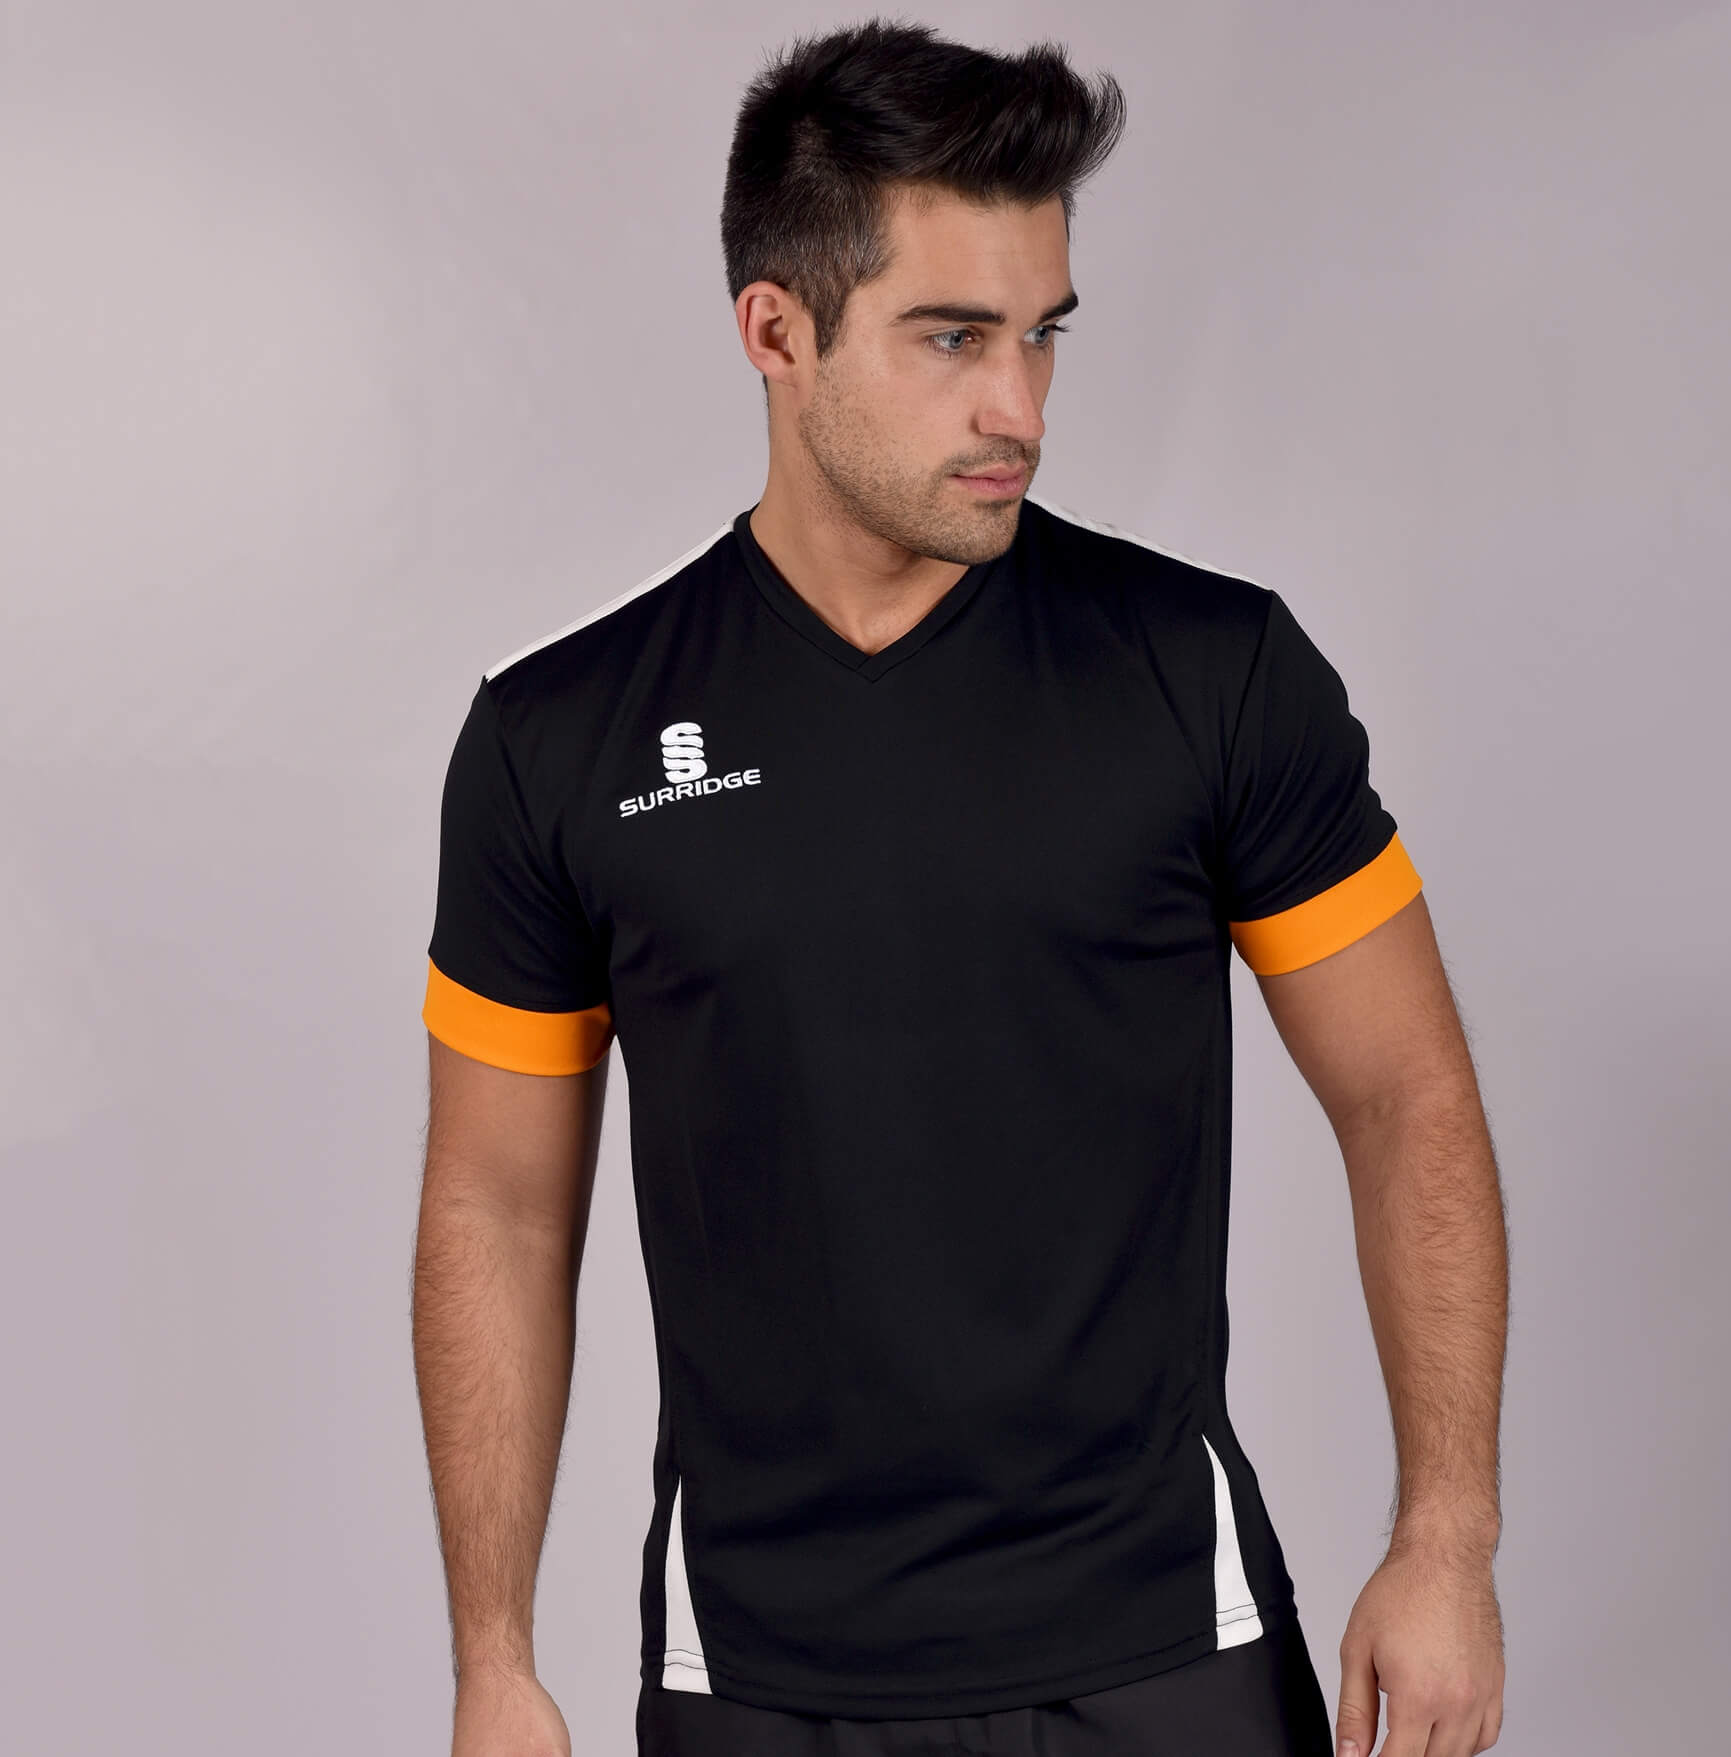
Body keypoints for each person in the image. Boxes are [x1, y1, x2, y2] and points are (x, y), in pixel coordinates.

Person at [412, 19, 1508, 1757]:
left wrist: (1445, 1536)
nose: (1023, 407)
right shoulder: (560, 738)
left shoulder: (1211, 672)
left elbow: (1407, 1093)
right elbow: (495, 1205)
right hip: (757, 1677)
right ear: (777, 331)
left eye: (1042, 332)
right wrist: (494, 1654)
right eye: (953, 338)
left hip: (1166, 1648)